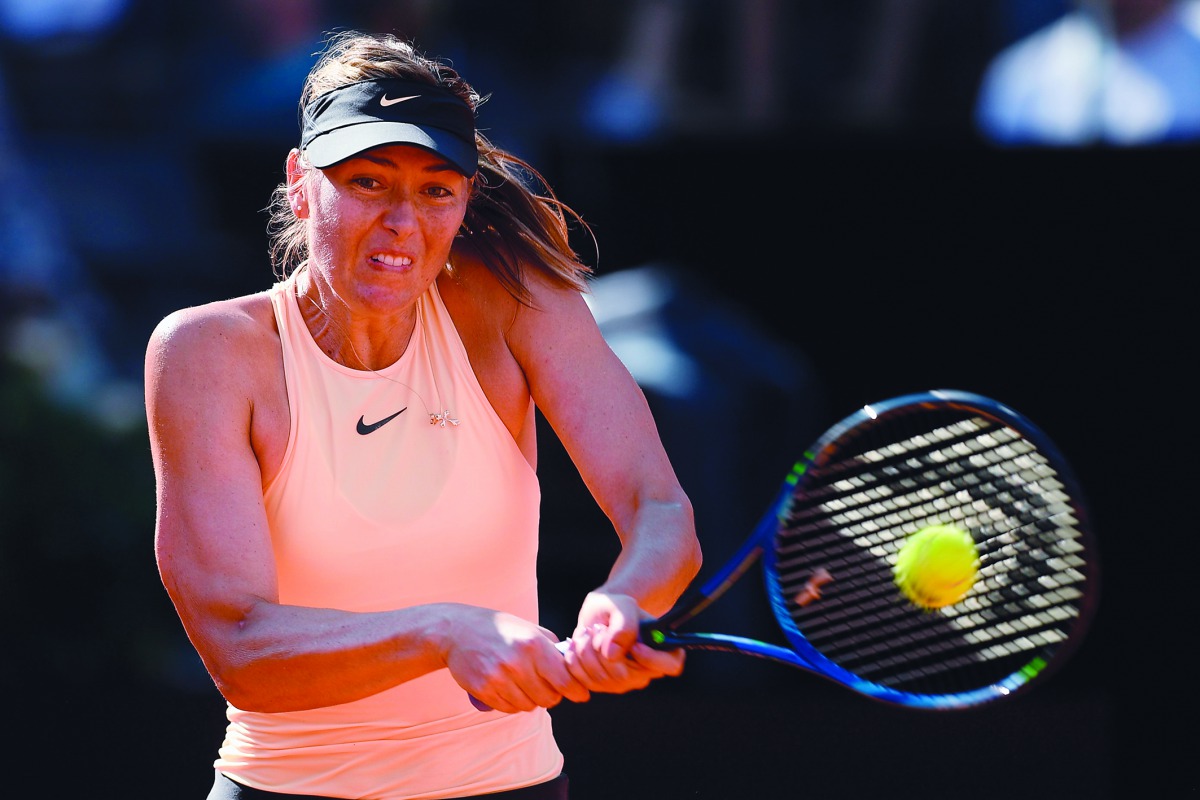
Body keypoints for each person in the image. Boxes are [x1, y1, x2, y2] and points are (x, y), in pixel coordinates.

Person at [144, 29, 702, 800]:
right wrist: (444, 631)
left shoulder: (518, 304)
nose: (403, 222)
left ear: (466, 198)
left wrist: (624, 601)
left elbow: (659, 509)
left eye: (436, 189)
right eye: (369, 182)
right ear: (301, 182)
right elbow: (241, 649)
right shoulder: (208, 353)